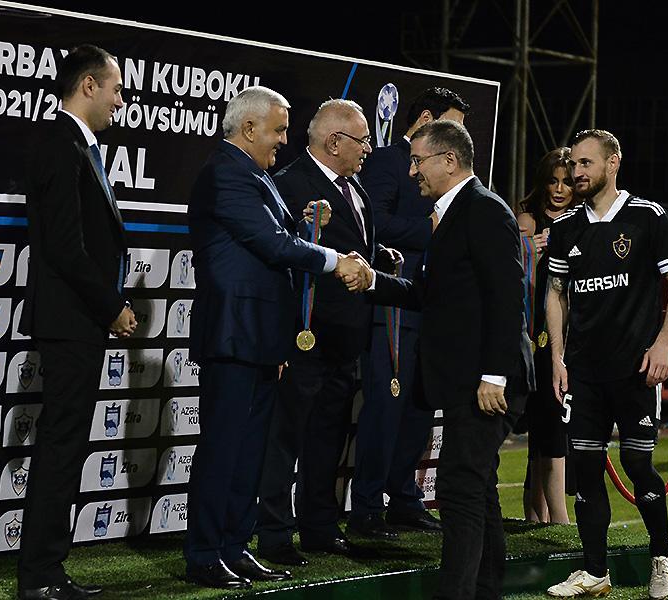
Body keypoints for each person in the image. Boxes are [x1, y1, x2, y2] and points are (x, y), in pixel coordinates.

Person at [183, 86, 370, 591]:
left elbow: (277, 236)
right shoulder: (224, 172)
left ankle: (234, 547)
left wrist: (307, 224)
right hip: (233, 334)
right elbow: (271, 243)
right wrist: (334, 259)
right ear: (248, 129)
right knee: (223, 449)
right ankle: (204, 554)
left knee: (250, 452)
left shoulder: (253, 173)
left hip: (263, 338)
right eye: (279, 130)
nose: (285, 140)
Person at [353, 119, 535, 600]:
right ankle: (485, 590)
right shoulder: (452, 213)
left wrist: (494, 375)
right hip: (467, 379)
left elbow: (507, 297)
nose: (412, 170)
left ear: (448, 160)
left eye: (418, 160)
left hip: (486, 381)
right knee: (477, 487)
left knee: (459, 487)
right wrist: (373, 281)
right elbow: (429, 294)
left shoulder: (483, 209)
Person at [545, 130, 668, 599]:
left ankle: (661, 557)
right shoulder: (567, 227)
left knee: (637, 462)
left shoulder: (646, 217)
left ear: (613, 163)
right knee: (585, 469)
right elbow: (555, 294)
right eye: (574, 163)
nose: (577, 171)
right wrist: (558, 357)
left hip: (635, 371)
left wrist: (664, 344)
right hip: (584, 373)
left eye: (586, 163)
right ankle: (594, 572)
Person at [17, 45, 137, 600]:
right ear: (89, 85)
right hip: (71, 320)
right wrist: (111, 305)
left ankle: (47, 571)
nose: (120, 101)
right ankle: (41, 576)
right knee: (61, 448)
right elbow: (66, 247)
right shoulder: (60, 144)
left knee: (65, 446)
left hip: (76, 320)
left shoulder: (76, 145)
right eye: (115, 89)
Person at [257, 98, 394, 564]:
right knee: (285, 438)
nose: (368, 149)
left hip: (346, 339)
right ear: (334, 141)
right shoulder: (288, 185)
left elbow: (357, 250)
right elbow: (280, 254)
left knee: (328, 437)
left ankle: (319, 525)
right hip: (303, 337)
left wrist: (380, 259)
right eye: (362, 140)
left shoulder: (357, 189)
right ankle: (274, 533)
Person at [350, 87, 470, 537]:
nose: (459, 136)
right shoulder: (386, 162)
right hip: (393, 310)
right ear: (425, 119)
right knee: (385, 407)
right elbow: (373, 223)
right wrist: (431, 230)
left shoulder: (451, 175)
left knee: (420, 410)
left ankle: (403, 497)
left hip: (433, 308)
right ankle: (366, 507)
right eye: (453, 124)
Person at [515, 147, 574, 525]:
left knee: (550, 434)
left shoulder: (583, 221)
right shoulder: (528, 220)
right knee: (548, 430)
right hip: (537, 340)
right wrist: (529, 252)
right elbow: (510, 273)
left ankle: (539, 517)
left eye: (566, 182)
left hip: (573, 340)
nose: (559, 189)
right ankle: (558, 521)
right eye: (553, 181)